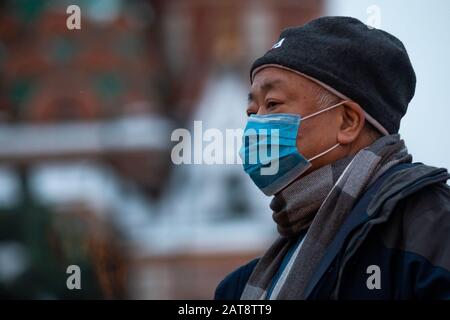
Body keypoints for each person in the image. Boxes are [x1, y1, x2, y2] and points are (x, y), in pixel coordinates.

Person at [214, 16, 450, 300]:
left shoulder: (431, 229)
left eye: (273, 104)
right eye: (252, 112)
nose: (255, 125)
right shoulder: (242, 287)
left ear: (348, 122)